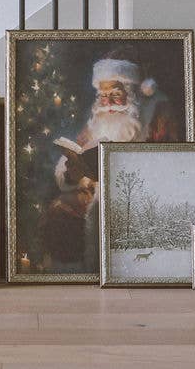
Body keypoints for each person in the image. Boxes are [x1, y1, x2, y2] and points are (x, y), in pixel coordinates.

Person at [38, 49, 182, 271]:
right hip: (95, 189)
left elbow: (168, 164)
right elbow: (80, 149)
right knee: (58, 212)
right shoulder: (98, 117)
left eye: (115, 94)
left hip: (138, 191)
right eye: (103, 96)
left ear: (132, 91)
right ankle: (72, 279)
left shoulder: (157, 110)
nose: (108, 102)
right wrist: (72, 173)